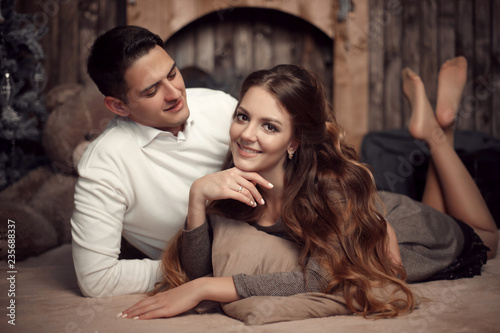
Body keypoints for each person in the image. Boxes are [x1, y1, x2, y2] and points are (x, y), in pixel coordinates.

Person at [120, 61, 497, 320]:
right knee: (443, 211)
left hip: (402, 228)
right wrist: (197, 199)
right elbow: (201, 268)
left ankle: (436, 135)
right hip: (373, 214)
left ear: (294, 141)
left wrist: (207, 288)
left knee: (487, 237)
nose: (247, 135)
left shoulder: (329, 192)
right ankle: (438, 130)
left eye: (269, 126)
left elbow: (319, 279)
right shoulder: (233, 181)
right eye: (243, 117)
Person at [70, 25, 237, 297]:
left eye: (172, 73)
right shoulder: (105, 163)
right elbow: (96, 279)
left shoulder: (220, 106)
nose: (175, 94)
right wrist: (196, 270)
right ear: (118, 106)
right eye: (151, 91)